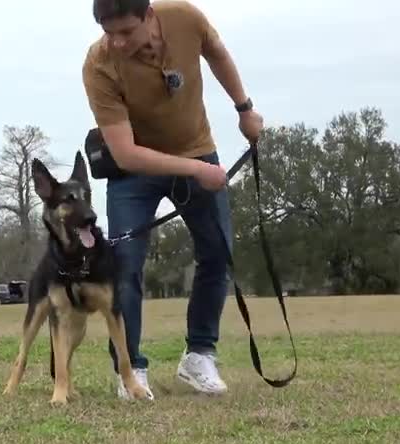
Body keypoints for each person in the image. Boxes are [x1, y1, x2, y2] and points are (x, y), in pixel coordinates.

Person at [81, 0, 263, 399]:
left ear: (149, 16)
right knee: (125, 264)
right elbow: (126, 153)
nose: (116, 41)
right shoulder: (98, 65)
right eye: (108, 32)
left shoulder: (185, 17)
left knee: (218, 254)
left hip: (196, 148)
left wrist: (244, 107)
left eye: (126, 31)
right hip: (134, 173)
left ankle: (199, 355)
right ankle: (130, 371)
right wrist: (197, 171)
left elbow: (216, 52)